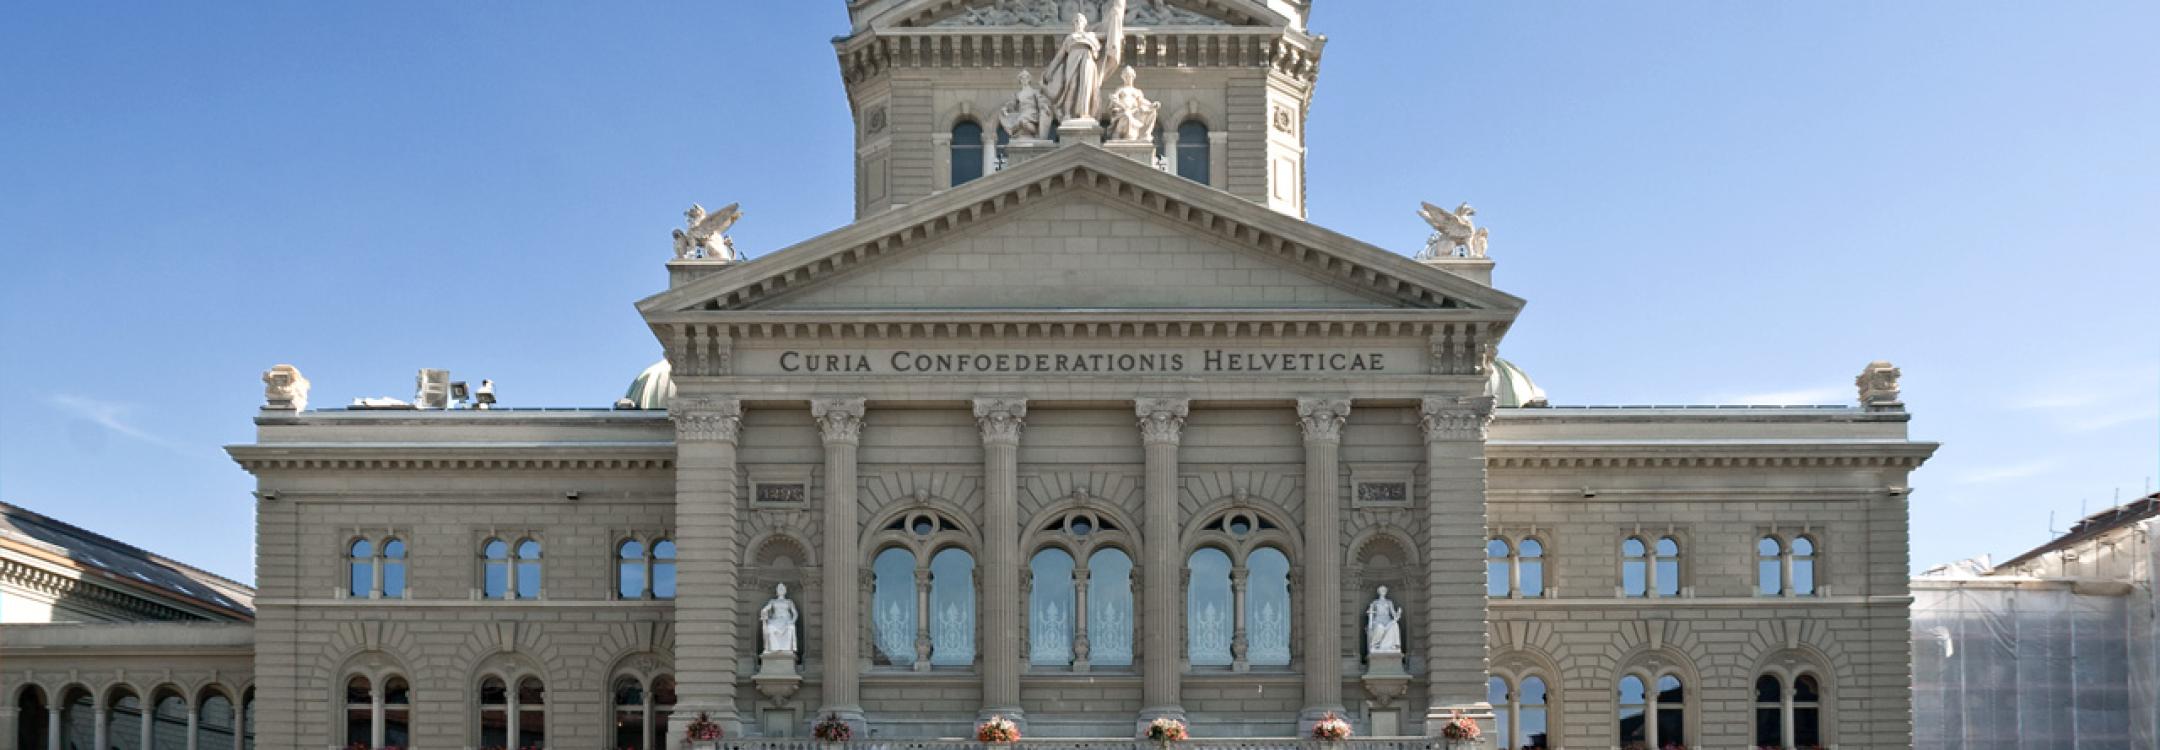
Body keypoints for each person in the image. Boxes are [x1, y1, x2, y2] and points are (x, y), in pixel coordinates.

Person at [761, 583, 799, 654]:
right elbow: (767, 608)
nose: (781, 590)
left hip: (786, 620)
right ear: (776, 591)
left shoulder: (789, 601)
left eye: (782, 588)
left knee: (790, 627)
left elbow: (795, 613)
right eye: (779, 588)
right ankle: (772, 649)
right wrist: (764, 610)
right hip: (775, 620)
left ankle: (787, 650)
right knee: (770, 628)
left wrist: (792, 621)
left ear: (785, 590)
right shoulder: (773, 601)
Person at [1366, 586, 1403, 654]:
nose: (1383, 591)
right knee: (1380, 627)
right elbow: (1370, 613)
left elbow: (1393, 614)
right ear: (1378, 592)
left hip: (1387, 621)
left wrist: (1398, 613)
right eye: (1381, 590)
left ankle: (1394, 645)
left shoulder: (1389, 602)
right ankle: (1375, 644)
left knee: (1394, 625)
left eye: (1384, 590)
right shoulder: (1375, 602)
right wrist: (1370, 616)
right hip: (1377, 621)